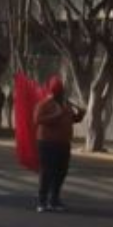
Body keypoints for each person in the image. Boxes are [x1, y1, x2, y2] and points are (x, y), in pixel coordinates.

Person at [33, 75, 85, 213]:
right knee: (47, 172)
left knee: (61, 172)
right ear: (52, 91)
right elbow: (37, 119)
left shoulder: (66, 104)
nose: (60, 93)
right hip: (47, 143)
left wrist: (80, 115)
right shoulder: (44, 104)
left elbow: (71, 119)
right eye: (58, 90)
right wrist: (56, 115)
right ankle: (42, 201)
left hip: (63, 143)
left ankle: (54, 199)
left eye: (61, 90)